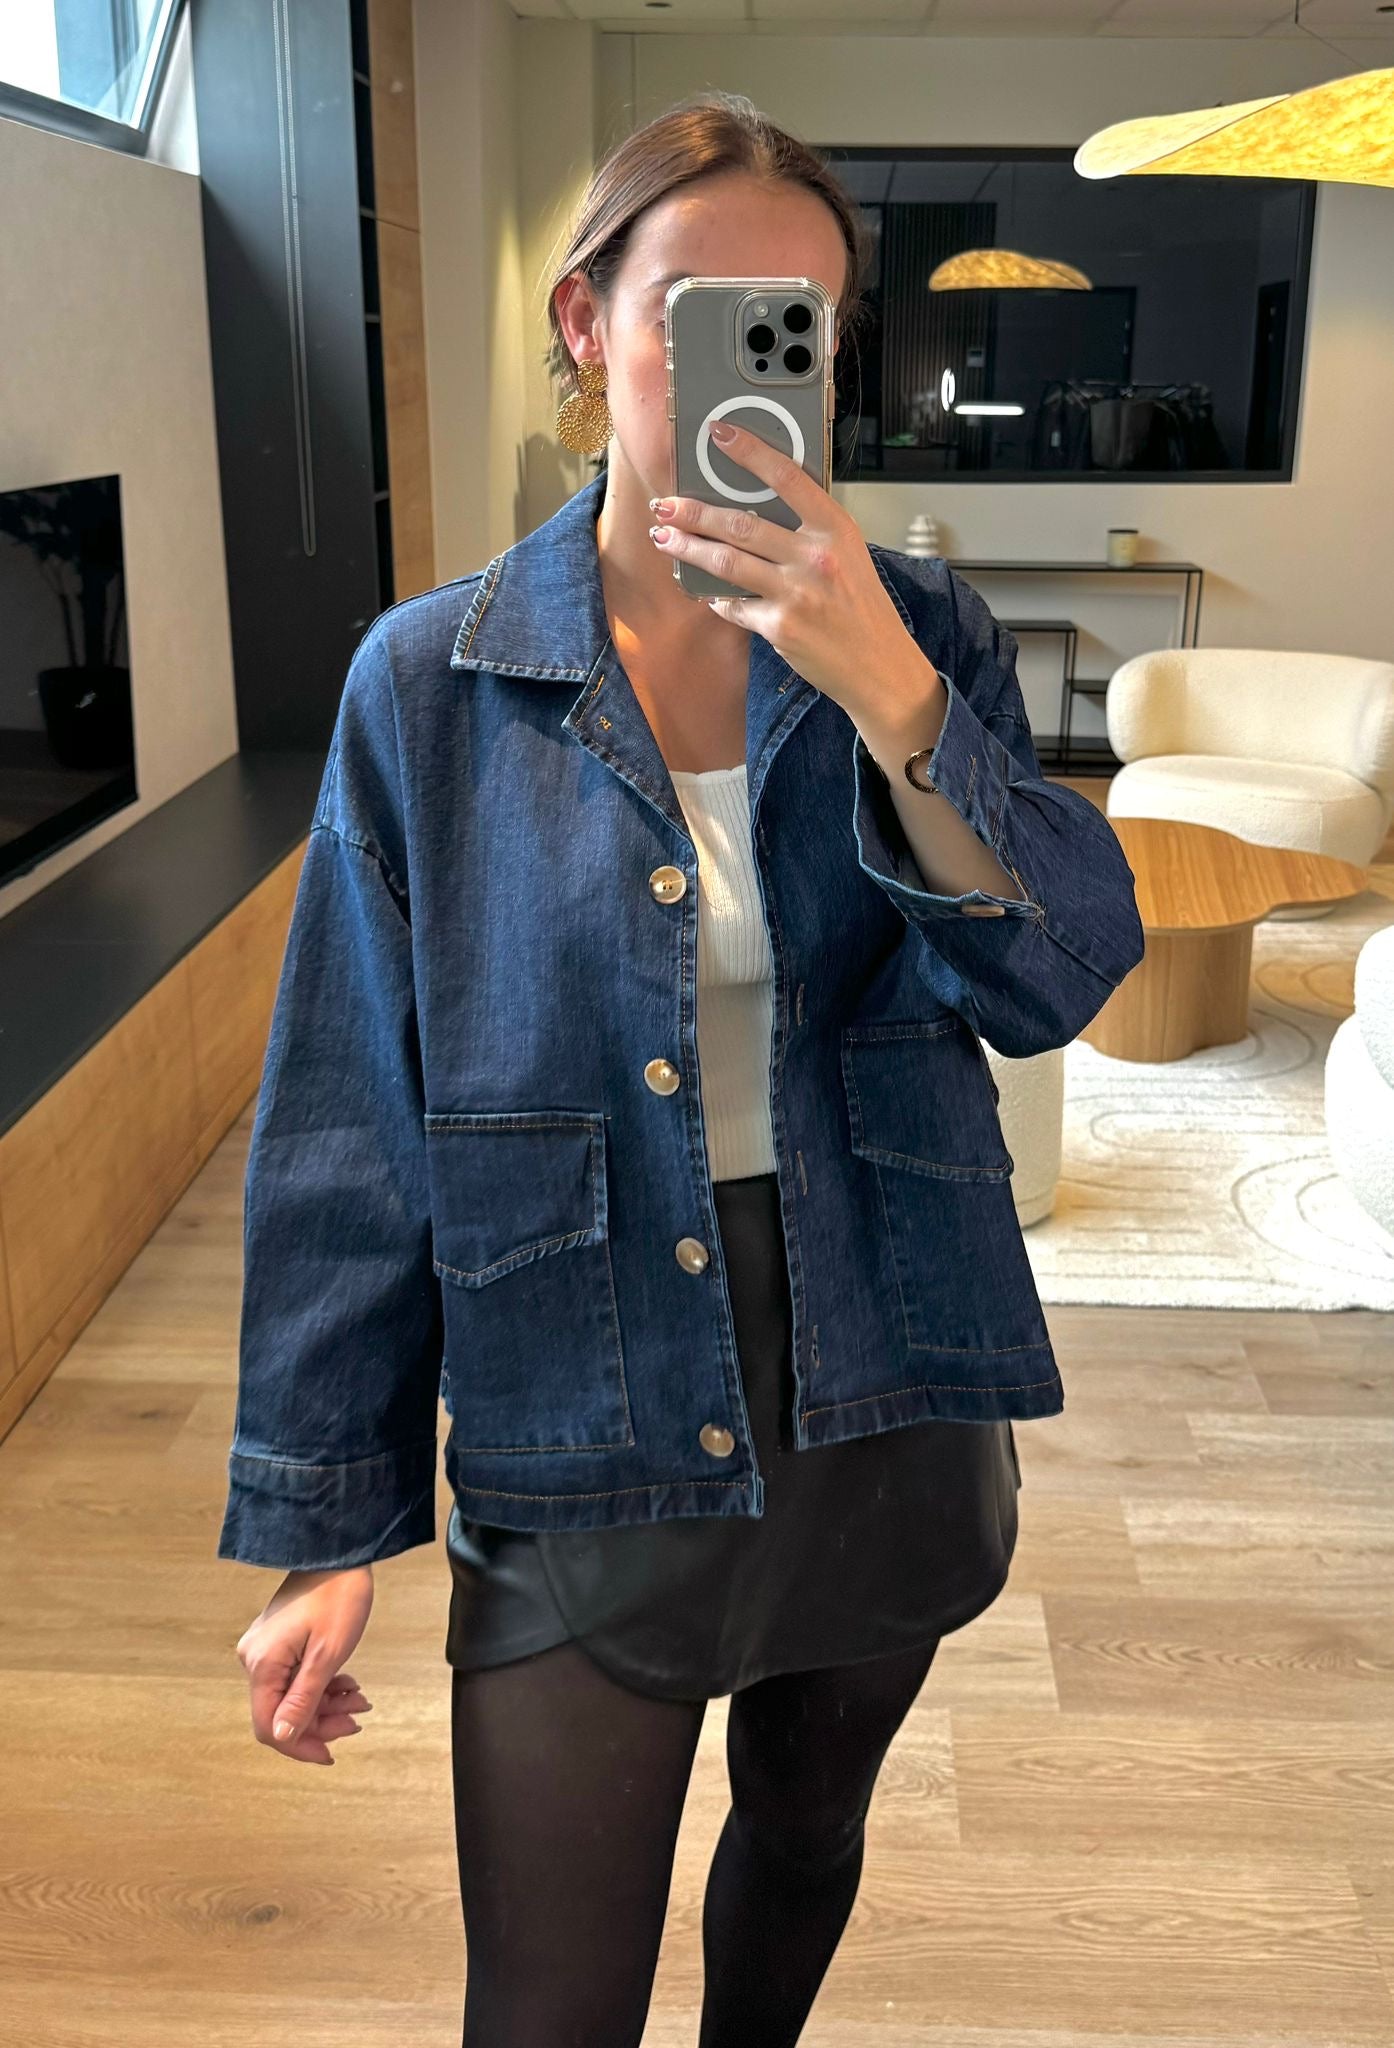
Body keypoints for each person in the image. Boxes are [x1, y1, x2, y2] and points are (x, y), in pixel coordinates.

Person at [223, 90, 1144, 2048]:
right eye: (704, 311)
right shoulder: (429, 684)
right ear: (586, 320)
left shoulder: (926, 636)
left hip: (882, 1355)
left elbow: (1055, 976)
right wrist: (322, 1522)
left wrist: (889, 691)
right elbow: (347, 1125)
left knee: (806, 1833)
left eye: (800, 324)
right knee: (548, 2002)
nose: (757, 361)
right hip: (582, 1384)